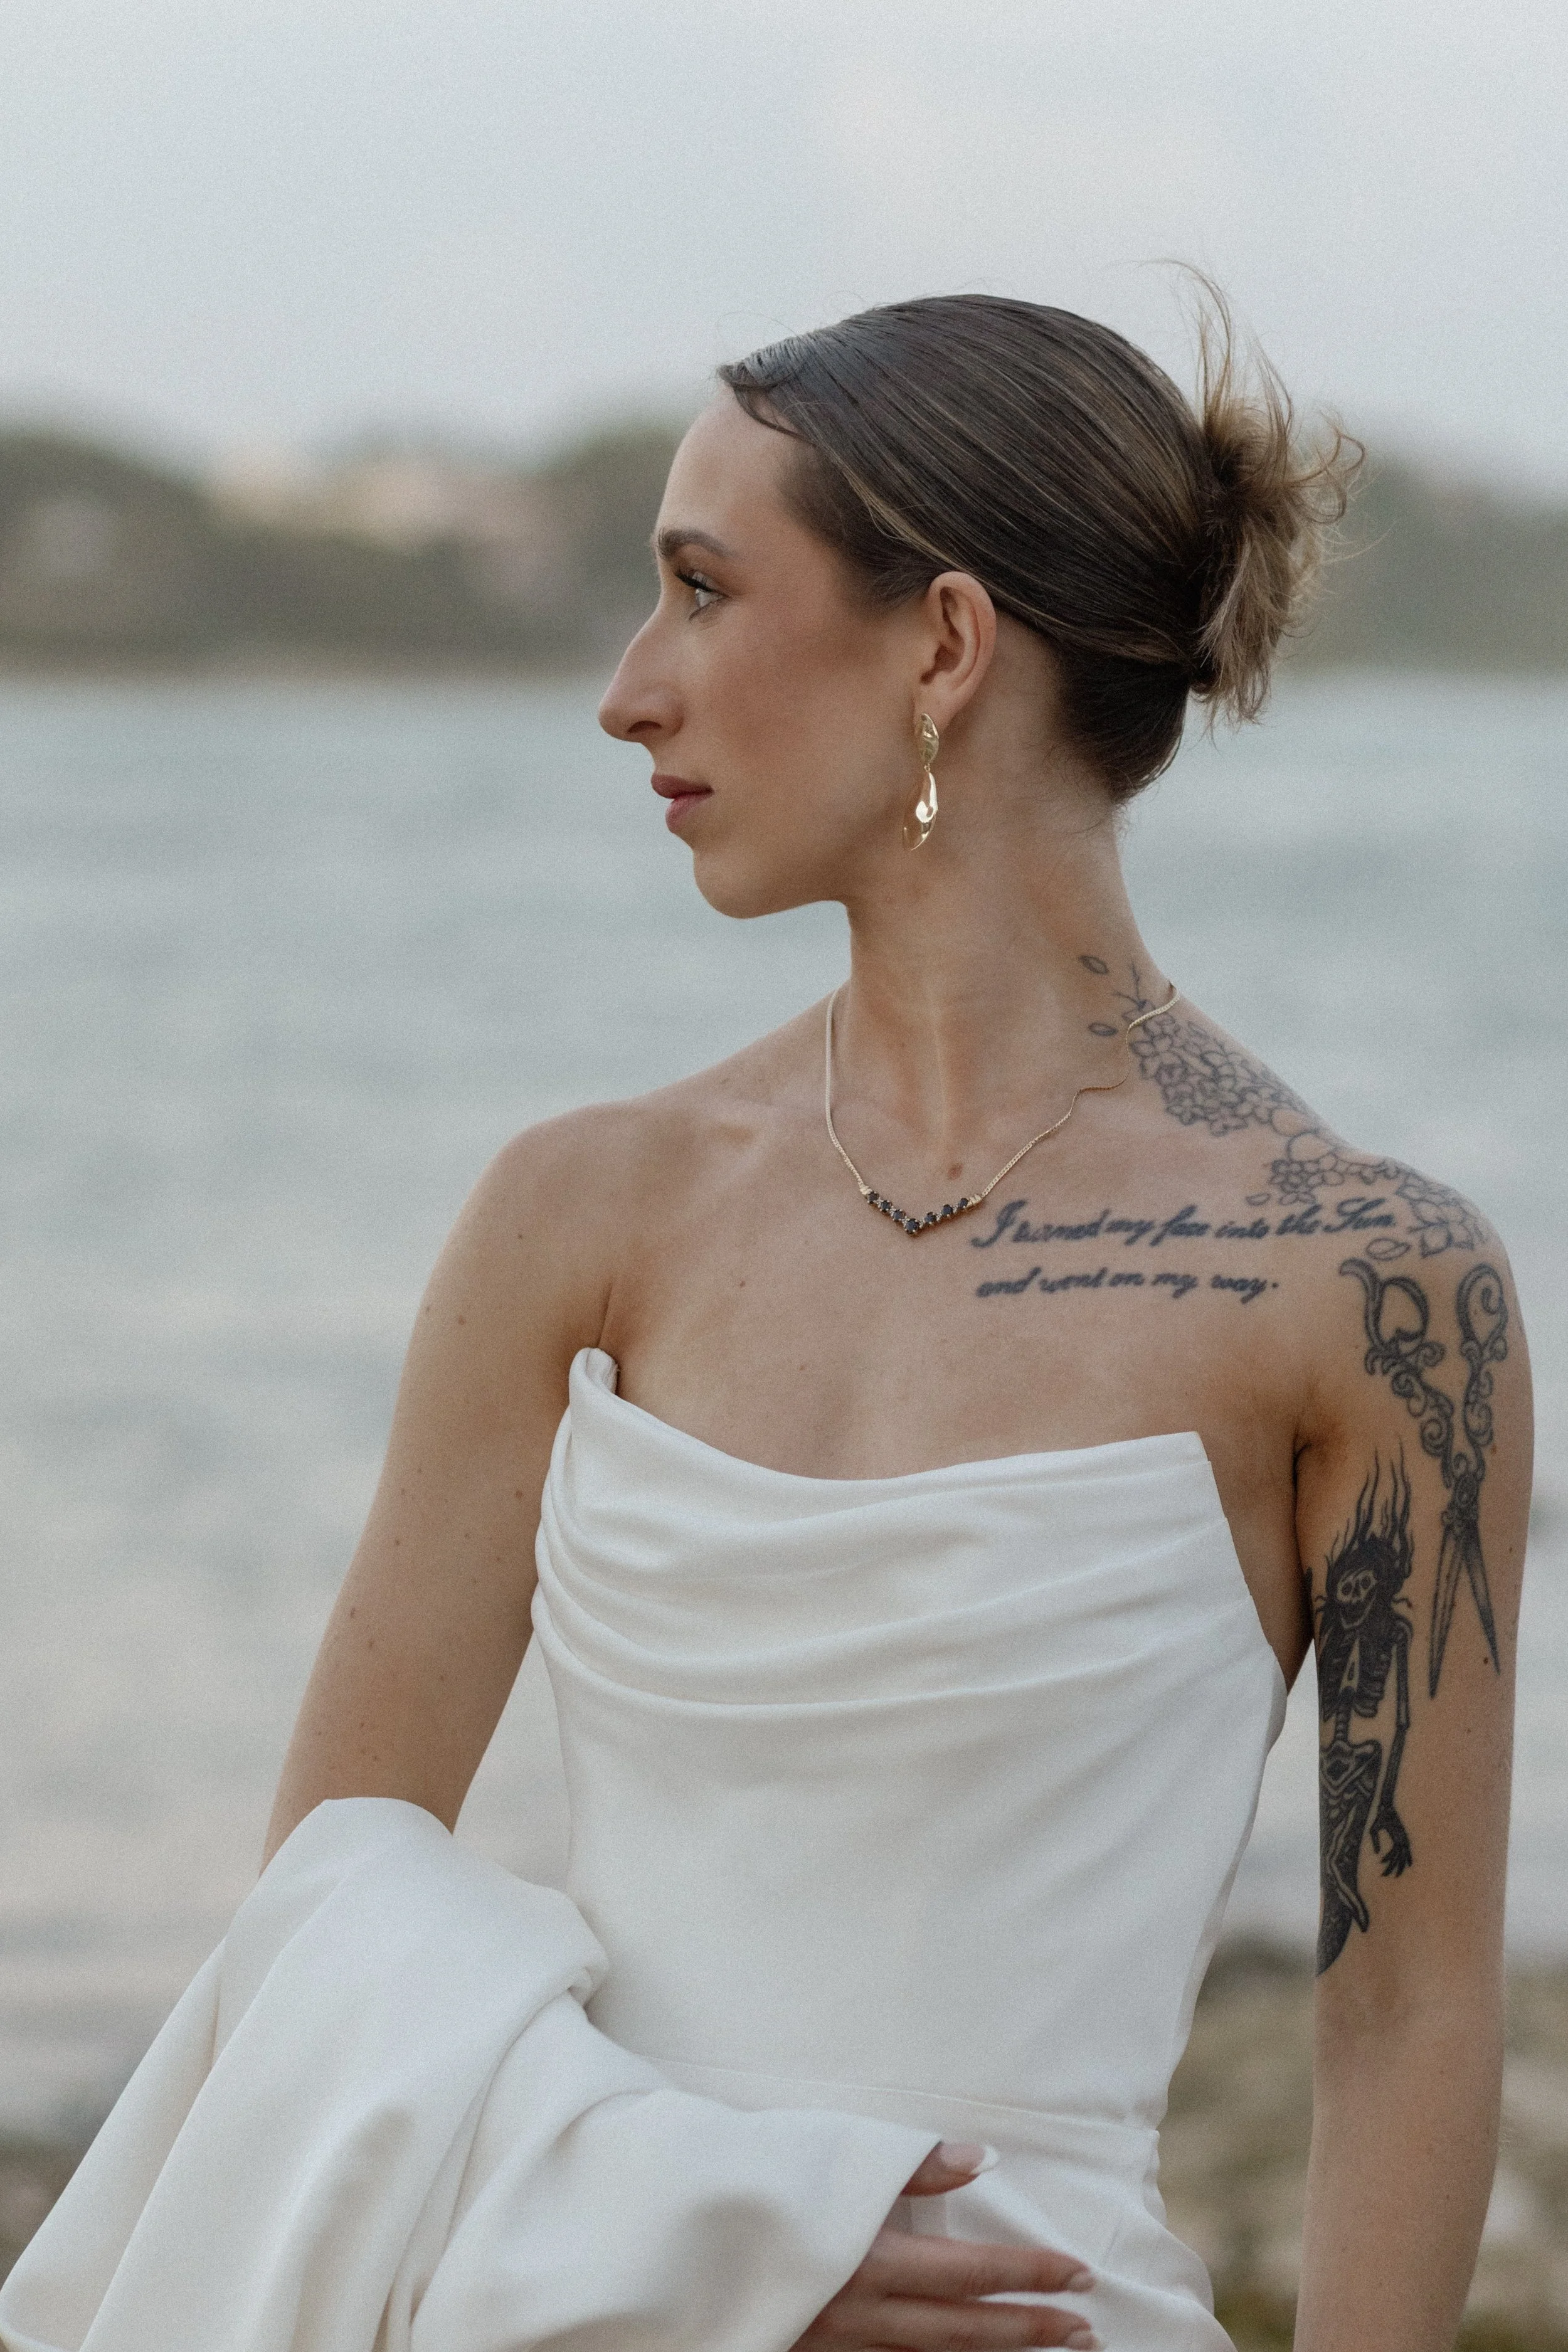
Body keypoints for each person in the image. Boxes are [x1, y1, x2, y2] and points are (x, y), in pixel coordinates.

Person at [1, 294, 1528, 2352]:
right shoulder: (583, 1215)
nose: (630, 693)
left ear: (943, 646)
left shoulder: (1369, 1286)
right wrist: (699, 2231)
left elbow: (1411, 2018)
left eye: (702, 593)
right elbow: (323, 1931)